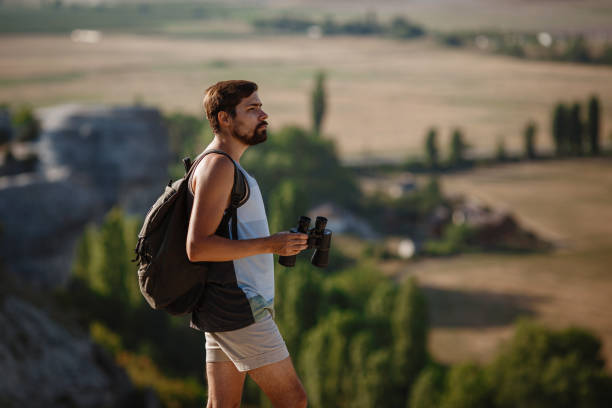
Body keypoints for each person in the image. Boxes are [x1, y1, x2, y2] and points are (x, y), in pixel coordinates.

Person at [186, 80, 309, 408]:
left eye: (261, 106)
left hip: (227, 302)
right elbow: (197, 246)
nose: (263, 114)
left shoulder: (226, 165)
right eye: (252, 109)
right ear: (225, 119)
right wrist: (272, 244)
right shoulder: (218, 166)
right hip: (237, 304)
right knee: (293, 401)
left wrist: (279, 243)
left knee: (222, 405)